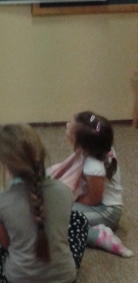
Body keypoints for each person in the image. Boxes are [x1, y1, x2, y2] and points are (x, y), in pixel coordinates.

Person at [0, 124, 89, 283]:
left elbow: (6, 245)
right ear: (42, 153)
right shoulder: (64, 191)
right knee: (79, 219)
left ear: (6, 166)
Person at [49, 111, 132, 258]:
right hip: (97, 206)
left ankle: (99, 237)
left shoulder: (93, 166)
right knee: (52, 208)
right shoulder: (99, 148)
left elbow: (93, 199)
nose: (67, 125)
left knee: (53, 219)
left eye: (70, 127)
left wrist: (70, 200)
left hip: (106, 212)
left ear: (81, 143)